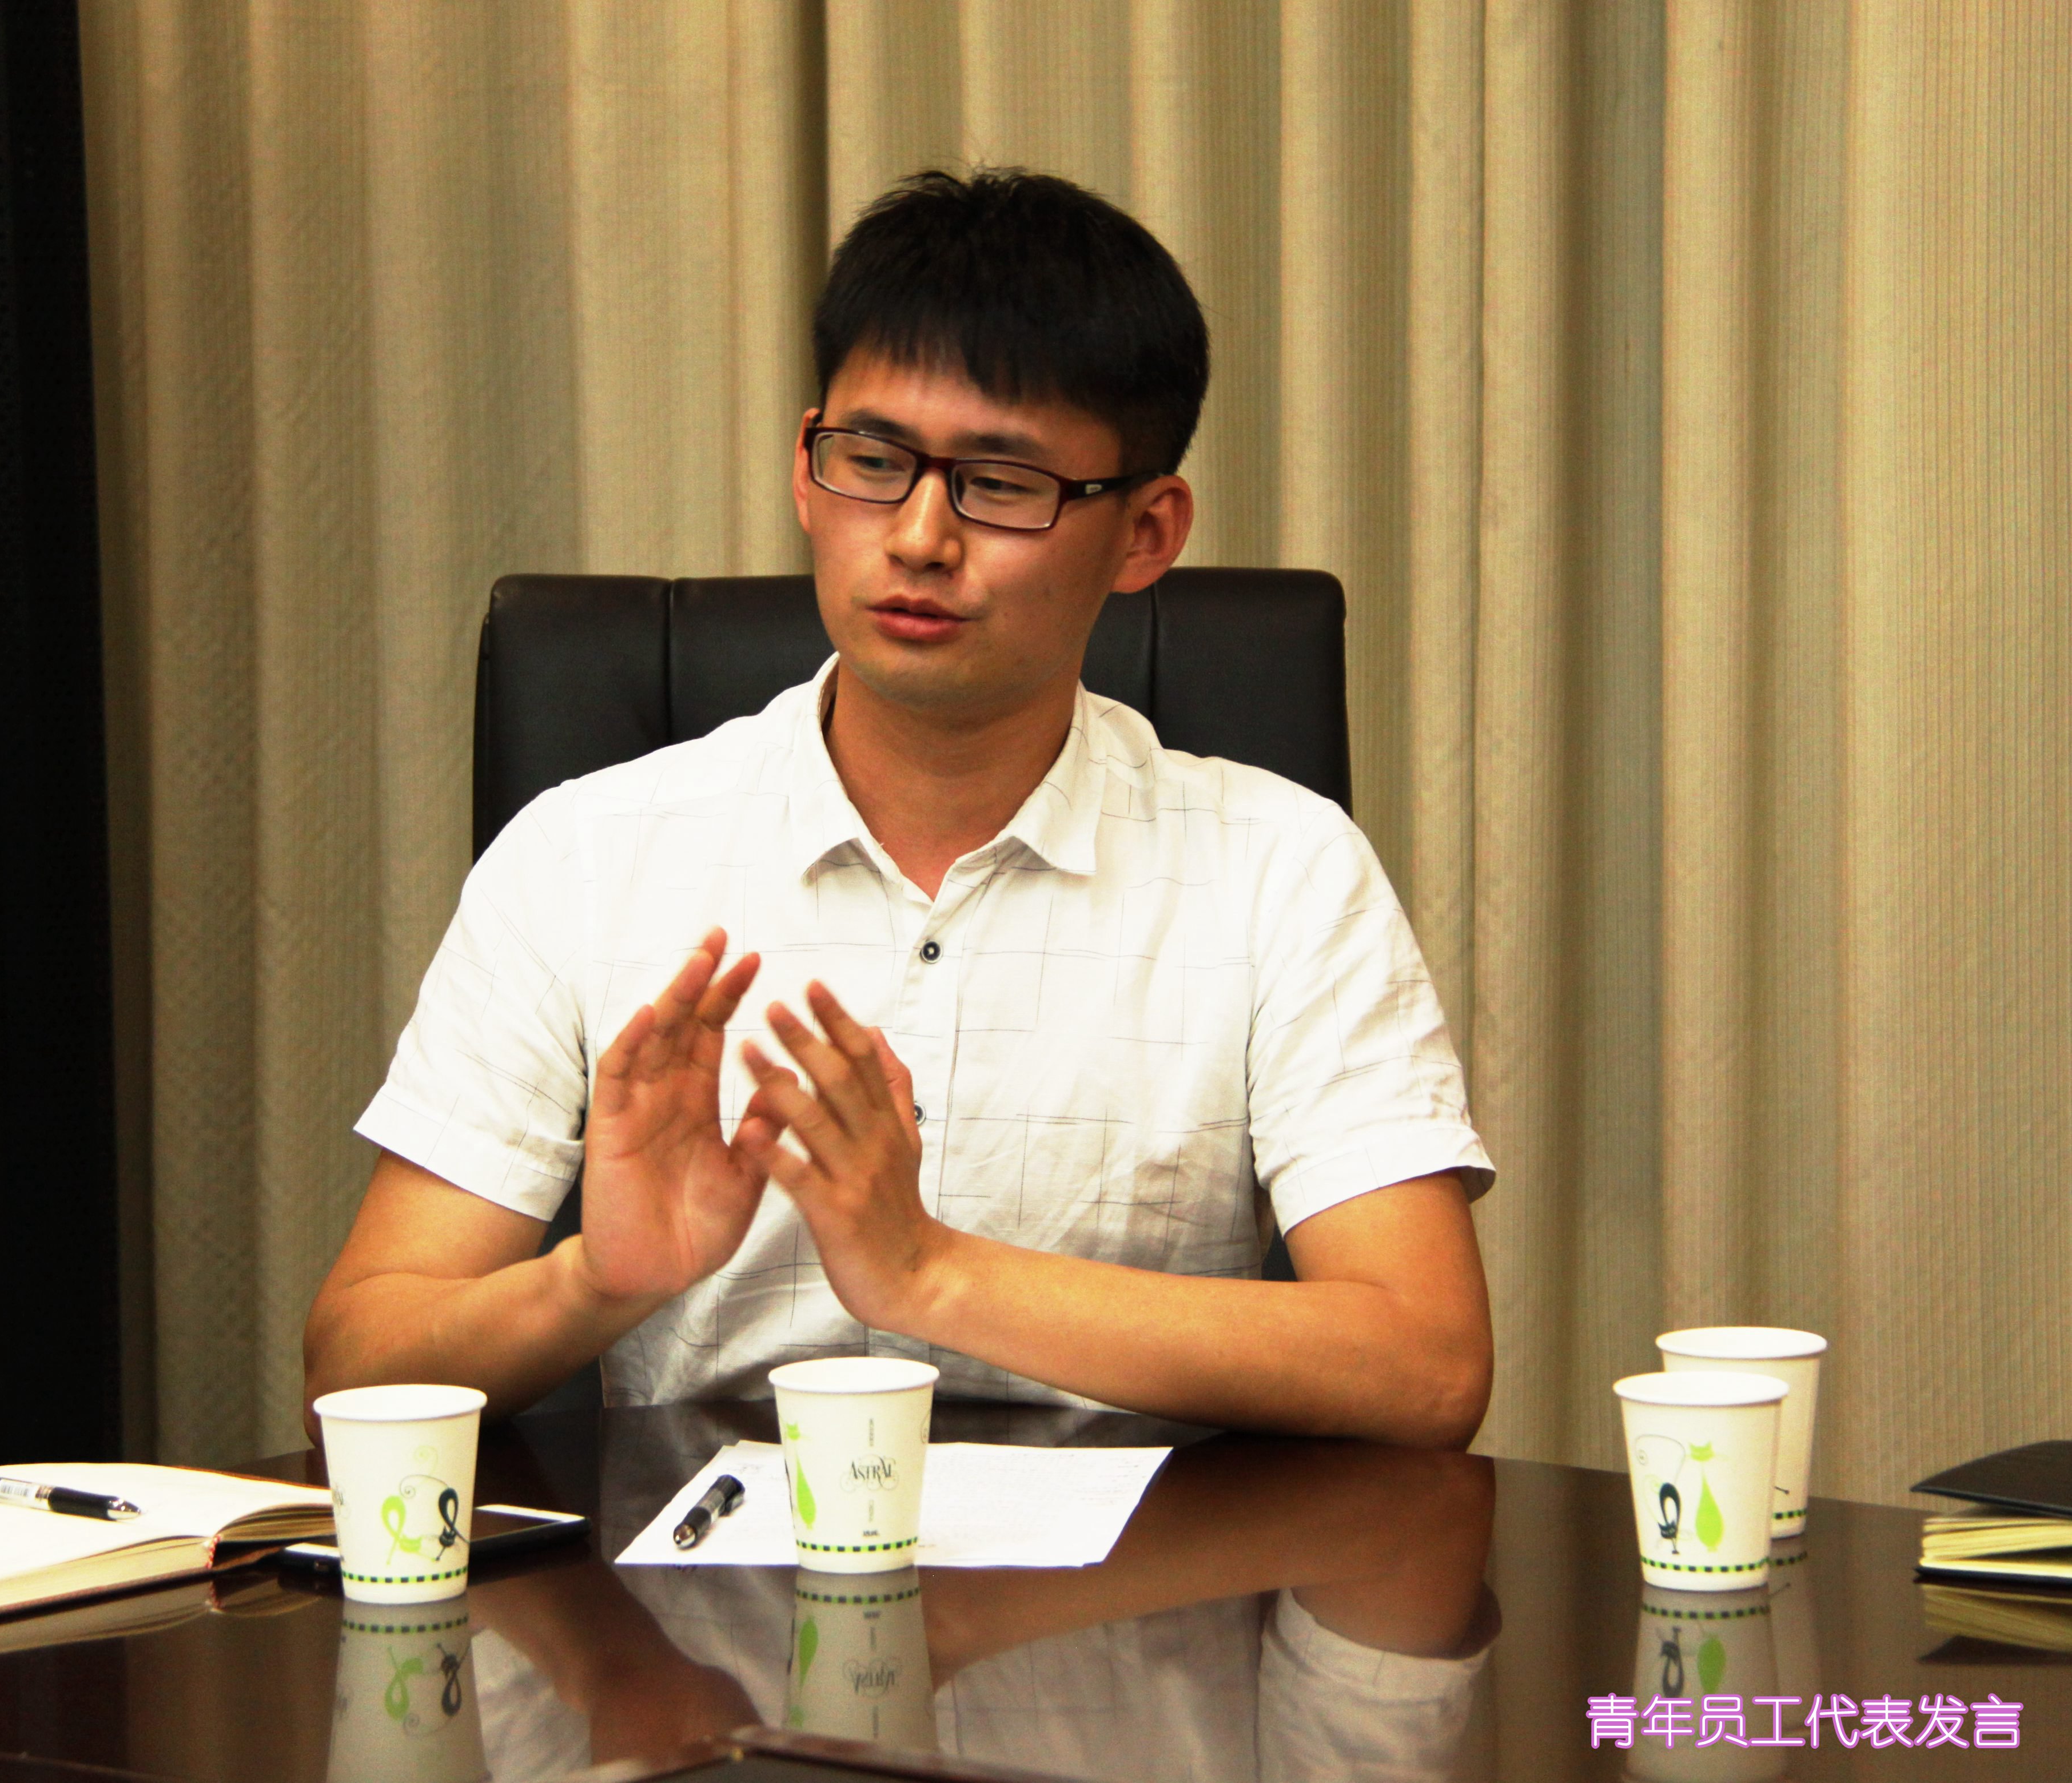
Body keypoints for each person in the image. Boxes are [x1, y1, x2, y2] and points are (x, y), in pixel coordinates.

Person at [304, 169, 1495, 1444]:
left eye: (1002, 483)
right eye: (872, 462)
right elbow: (352, 1373)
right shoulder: (585, 854)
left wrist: (931, 1272)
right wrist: (595, 1279)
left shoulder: (1281, 868)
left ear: (1146, 532)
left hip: (1151, 1567)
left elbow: (1425, 1365)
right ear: (806, 471)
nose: (921, 535)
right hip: (702, 1565)